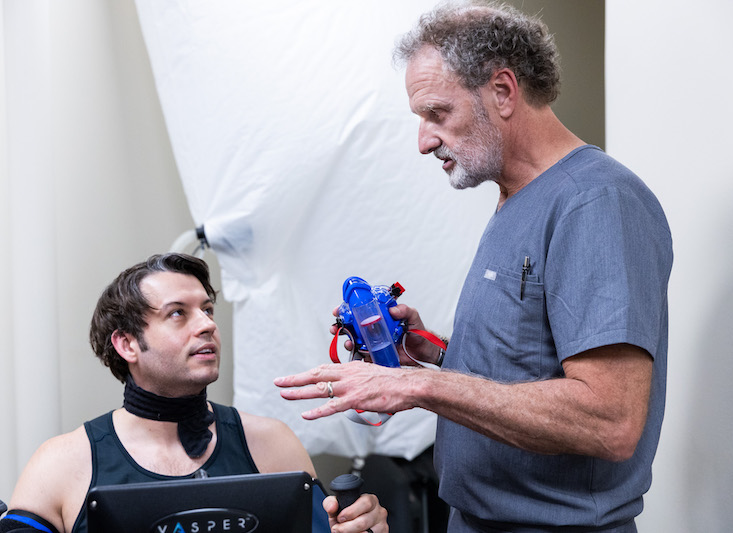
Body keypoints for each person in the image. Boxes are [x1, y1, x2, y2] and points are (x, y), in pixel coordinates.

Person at [275, 2, 673, 532]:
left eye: (437, 114)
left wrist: (419, 390)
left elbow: (610, 420)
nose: (423, 141)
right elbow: (535, 362)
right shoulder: (517, 197)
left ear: (503, 91)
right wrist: (435, 358)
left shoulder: (594, 202)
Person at [2, 253, 387, 533]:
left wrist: (363, 526)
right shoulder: (61, 463)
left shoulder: (270, 445)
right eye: (177, 313)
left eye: (207, 309)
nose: (206, 324)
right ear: (127, 344)